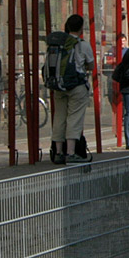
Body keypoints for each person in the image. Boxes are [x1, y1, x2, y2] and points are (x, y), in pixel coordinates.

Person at [48, 14, 95, 164]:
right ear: (81, 28)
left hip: (59, 86)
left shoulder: (57, 44)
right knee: (74, 118)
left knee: (59, 117)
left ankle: (58, 152)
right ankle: (70, 153)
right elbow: (91, 65)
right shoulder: (82, 44)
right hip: (77, 86)